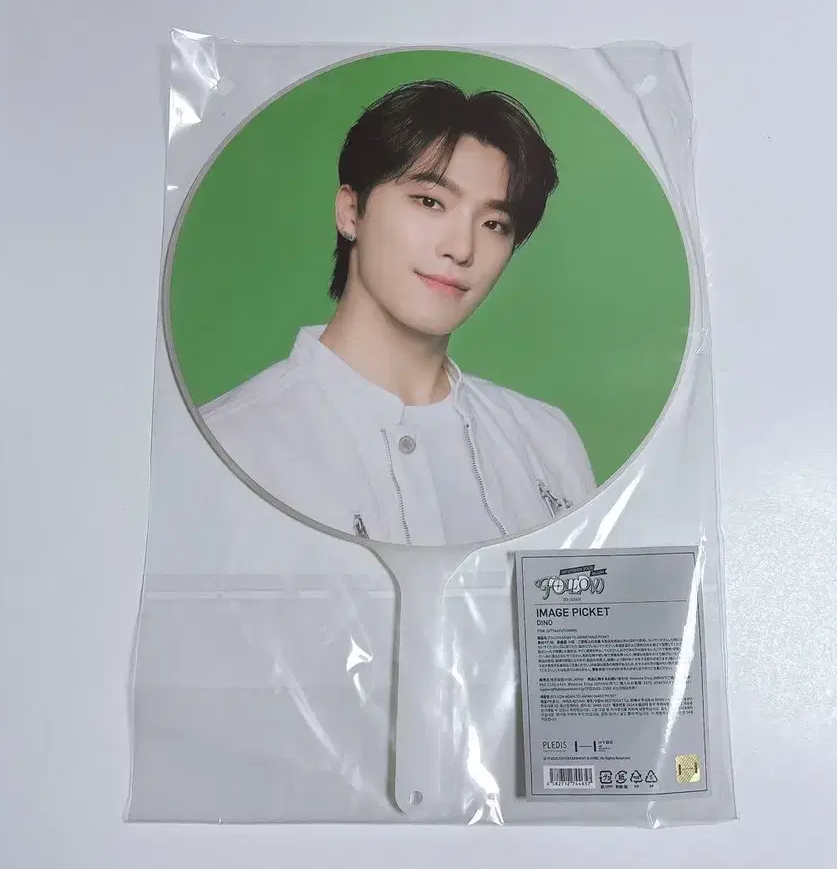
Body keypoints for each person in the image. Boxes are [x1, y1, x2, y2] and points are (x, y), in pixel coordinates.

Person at [199, 79, 597, 546]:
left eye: (494, 224)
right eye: (430, 202)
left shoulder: (546, 440)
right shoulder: (228, 446)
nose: (461, 248)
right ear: (351, 211)